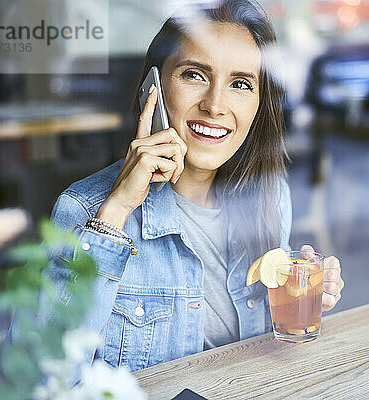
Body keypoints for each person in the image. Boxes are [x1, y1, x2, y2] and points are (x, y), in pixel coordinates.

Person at [47, 0, 344, 372]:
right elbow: (44, 378)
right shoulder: (87, 211)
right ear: (152, 90)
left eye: (240, 83)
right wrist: (116, 213)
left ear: (258, 103)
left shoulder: (269, 195)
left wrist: (300, 295)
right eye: (194, 75)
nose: (216, 105)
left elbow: (260, 351)